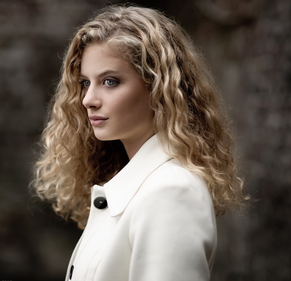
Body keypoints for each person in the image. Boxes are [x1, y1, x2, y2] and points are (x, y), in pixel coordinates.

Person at [32, 4, 246, 281]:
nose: (88, 99)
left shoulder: (171, 191)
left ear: (158, 87)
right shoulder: (138, 182)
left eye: (110, 81)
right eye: (85, 83)